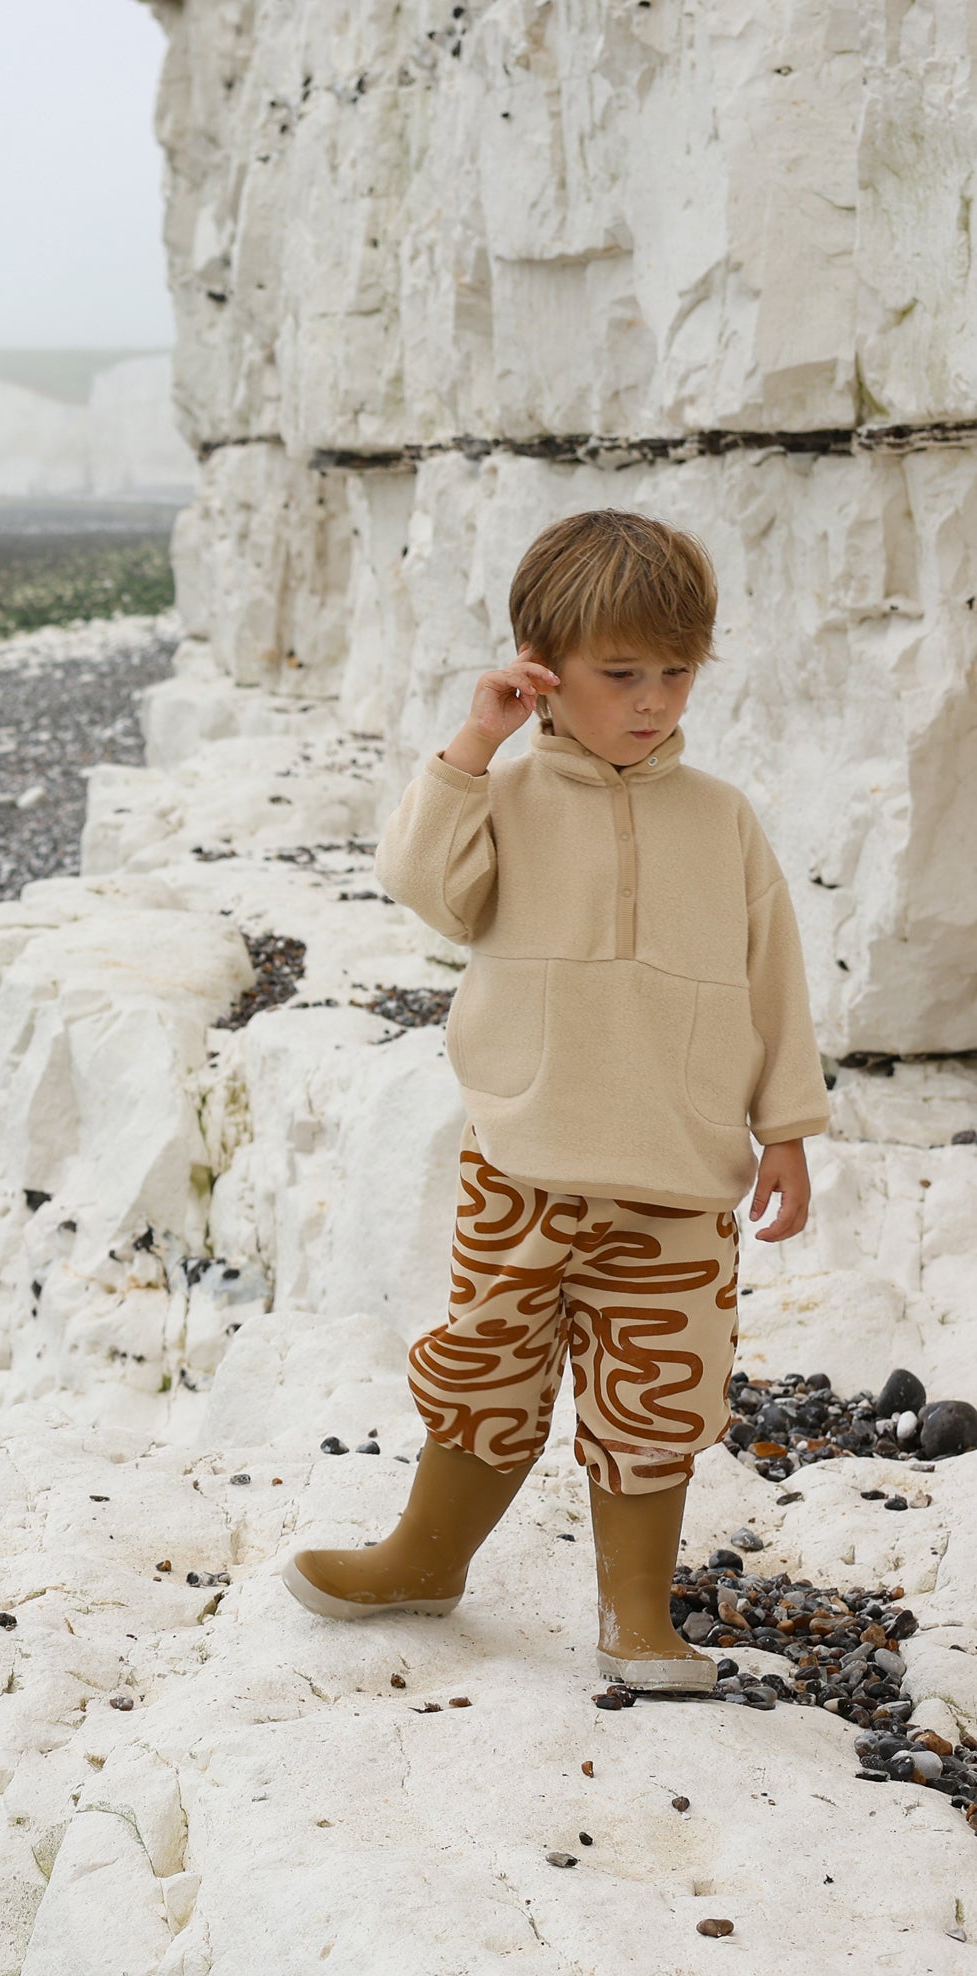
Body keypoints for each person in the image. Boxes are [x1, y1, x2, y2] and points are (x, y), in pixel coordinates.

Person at [281, 508, 830, 1691]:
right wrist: (476, 744)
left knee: (662, 1387)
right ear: (545, 668)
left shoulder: (723, 817)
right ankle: (422, 1561)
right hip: (523, 1160)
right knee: (483, 1366)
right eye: (621, 672)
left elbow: (774, 974)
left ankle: (639, 1619)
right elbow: (422, 885)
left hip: (680, 1178)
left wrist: (787, 1125)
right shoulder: (507, 797)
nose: (653, 699)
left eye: (677, 671)